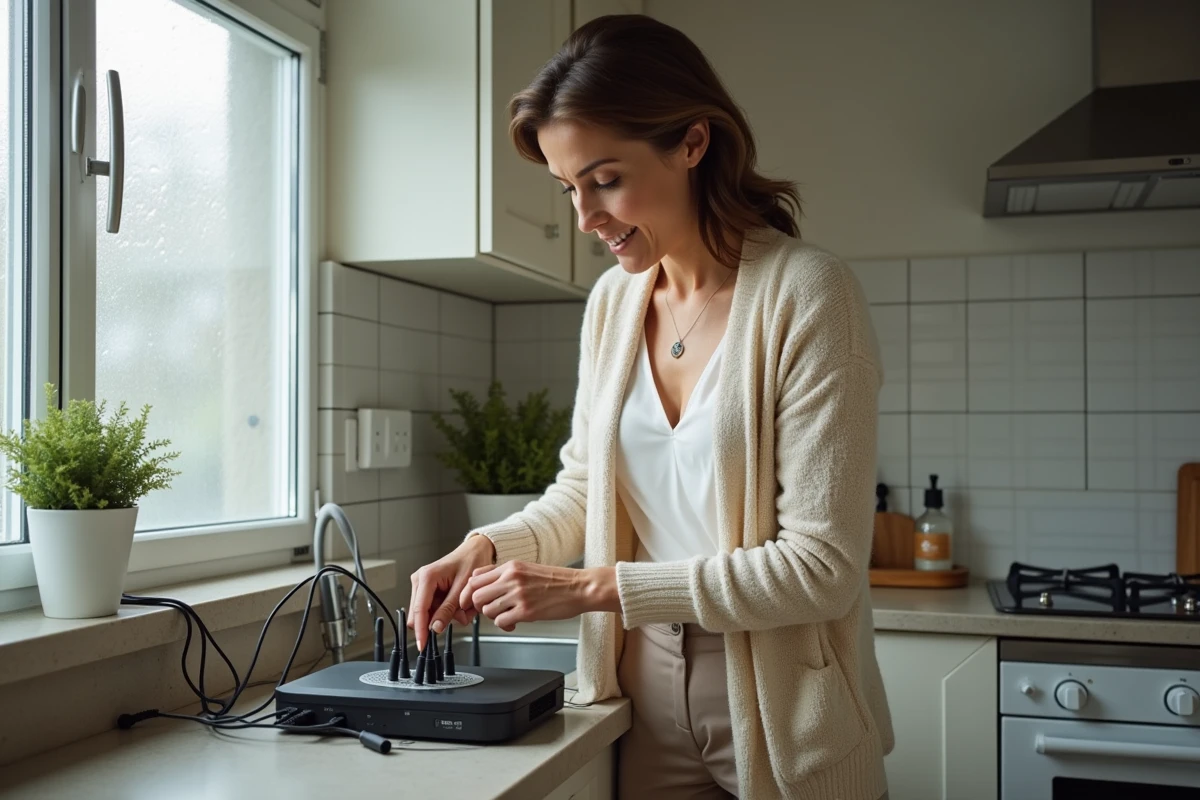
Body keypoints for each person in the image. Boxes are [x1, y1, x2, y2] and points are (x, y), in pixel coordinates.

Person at [409, 14, 893, 800]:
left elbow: (822, 571)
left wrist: (595, 588)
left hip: (777, 695)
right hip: (637, 688)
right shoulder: (611, 303)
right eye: (568, 188)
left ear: (693, 143)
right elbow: (585, 492)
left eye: (605, 179)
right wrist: (486, 548)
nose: (585, 218)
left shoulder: (809, 293)